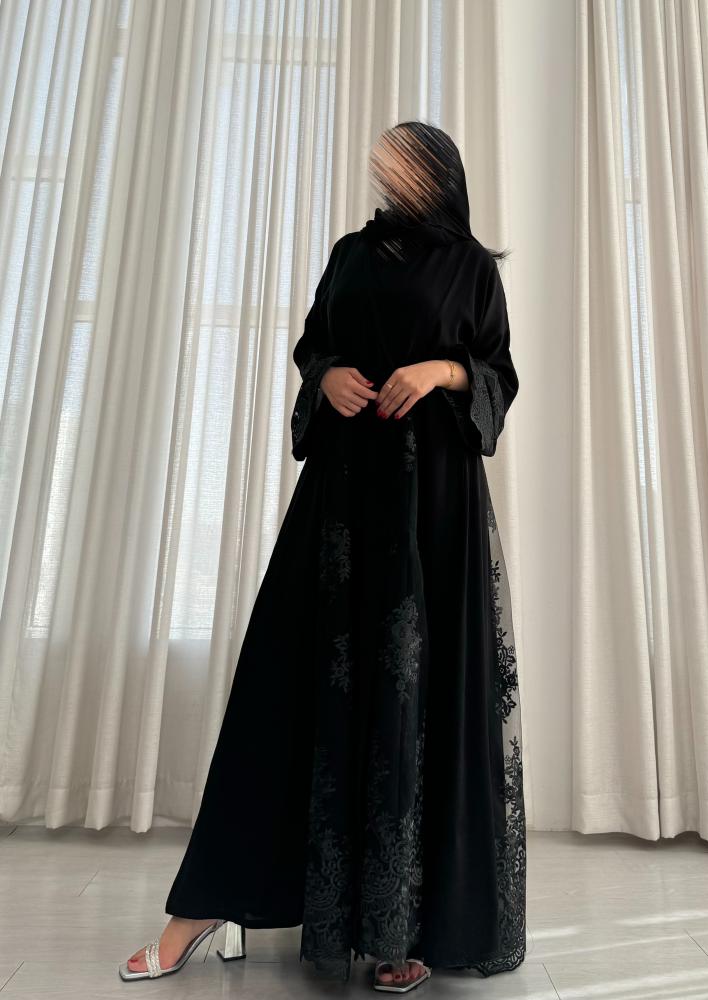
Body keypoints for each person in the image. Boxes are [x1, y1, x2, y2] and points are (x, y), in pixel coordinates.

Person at [119, 120, 525, 993]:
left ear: (437, 173)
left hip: (433, 503)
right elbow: (315, 344)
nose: (385, 174)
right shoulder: (351, 253)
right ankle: (206, 907)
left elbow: (498, 370)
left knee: (421, 697)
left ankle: (404, 926)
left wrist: (442, 373)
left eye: (401, 161)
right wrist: (328, 374)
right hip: (342, 496)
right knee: (284, 680)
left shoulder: (470, 268)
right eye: (381, 163)